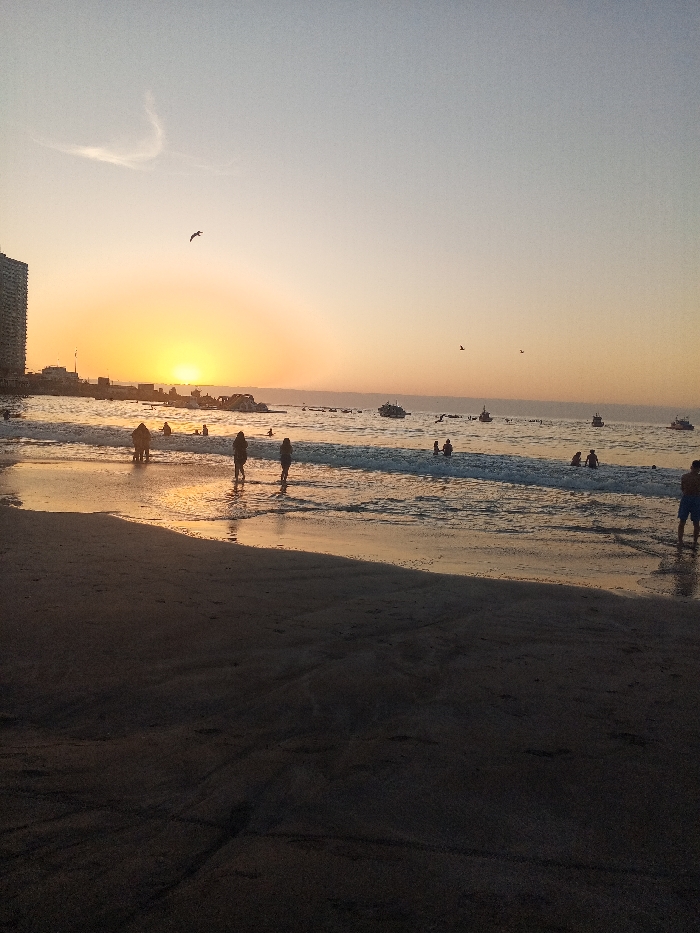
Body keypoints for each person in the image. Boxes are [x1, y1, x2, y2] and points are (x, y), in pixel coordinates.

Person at [678, 460, 700, 549]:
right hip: (694, 499)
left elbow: (682, 488)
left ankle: (681, 541)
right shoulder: (697, 478)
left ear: (691, 467)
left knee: (684, 521)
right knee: (694, 522)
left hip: (688, 498)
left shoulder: (685, 476)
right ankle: (693, 542)